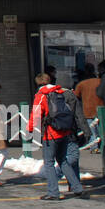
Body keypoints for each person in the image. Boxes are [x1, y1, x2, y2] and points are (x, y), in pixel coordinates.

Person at [29, 72, 86, 200]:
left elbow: (36, 115)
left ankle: (53, 192)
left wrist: (30, 129)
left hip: (51, 133)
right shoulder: (59, 91)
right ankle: (77, 187)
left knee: (49, 162)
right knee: (62, 160)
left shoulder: (41, 95)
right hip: (64, 131)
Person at [74, 66, 104, 152]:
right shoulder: (100, 81)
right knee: (101, 129)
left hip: (87, 110)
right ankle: (103, 146)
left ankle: (94, 147)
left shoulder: (81, 84)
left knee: (91, 130)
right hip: (100, 109)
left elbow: (76, 96)